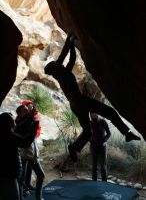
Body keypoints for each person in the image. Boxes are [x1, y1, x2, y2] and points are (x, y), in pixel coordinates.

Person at [44, 33, 140, 162]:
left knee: (88, 132)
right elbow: (64, 54)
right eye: (56, 63)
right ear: (54, 67)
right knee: (110, 112)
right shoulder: (60, 71)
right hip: (79, 100)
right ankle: (127, 133)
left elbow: (71, 59)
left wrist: (72, 46)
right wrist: (69, 40)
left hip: (75, 105)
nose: (58, 63)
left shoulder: (63, 74)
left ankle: (74, 148)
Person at [0, 112, 38, 200]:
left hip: (6, 174)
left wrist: (30, 116)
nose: (14, 123)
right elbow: (25, 142)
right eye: (12, 121)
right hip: (8, 175)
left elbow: (18, 126)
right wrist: (34, 128)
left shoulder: (4, 133)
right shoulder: (7, 135)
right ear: (8, 123)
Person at [15, 104, 45, 200]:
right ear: (19, 114)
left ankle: (38, 197)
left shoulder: (29, 123)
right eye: (24, 110)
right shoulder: (19, 124)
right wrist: (31, 116)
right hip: (24, 156)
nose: (27, 111)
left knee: (41, 175)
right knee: (21, 180)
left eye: (27, 109)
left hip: (32, 155)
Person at [21, 100, 42, 193]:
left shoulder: (35, 116)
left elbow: (38, 128)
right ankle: (24, 188)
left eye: (31, 105)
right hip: (26, 148)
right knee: (24, 169)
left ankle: (27, 185)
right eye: (28, 105)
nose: (31, 107)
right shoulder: (22, 119)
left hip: (32, 144)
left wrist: (35, 135)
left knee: (29, 168)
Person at [90, 113, 111, 181]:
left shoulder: (102, 121)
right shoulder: (90, 123)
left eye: (95, 112)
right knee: (94, 167)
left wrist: (105, 140)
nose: (94, 114)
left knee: (103, 166)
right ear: (90, 114)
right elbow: (87, 134)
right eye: (92, 113)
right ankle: (94, 183)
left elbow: (109, 133)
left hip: (102, 147)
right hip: (93, 147)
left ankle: (104, 183)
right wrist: (90, 140)